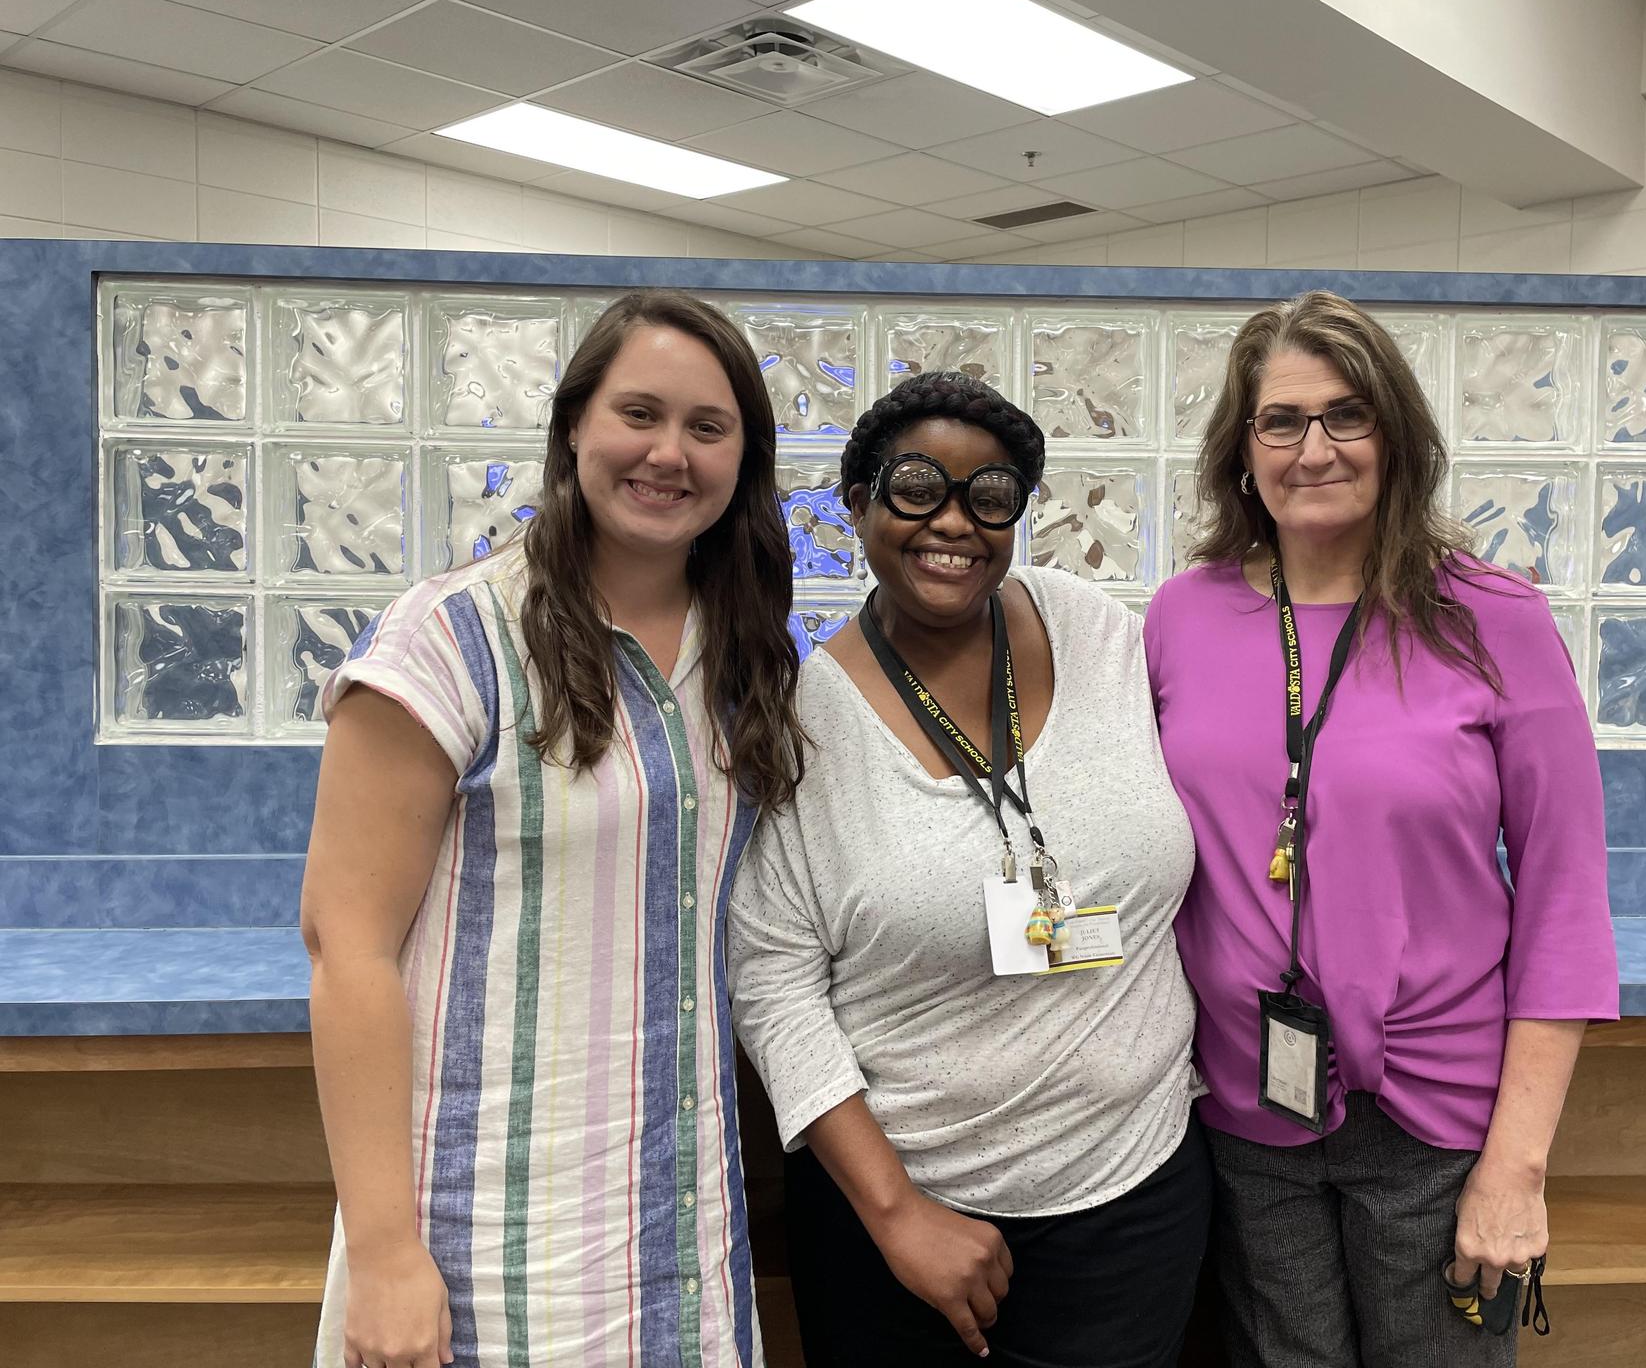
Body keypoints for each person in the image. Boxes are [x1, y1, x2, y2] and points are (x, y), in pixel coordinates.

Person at [300, 290, 805, 1368]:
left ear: (742, 459)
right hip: (484, 1232)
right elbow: (347, 948)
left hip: (682, 1222)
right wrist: (388, 1253)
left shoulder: (747, 658)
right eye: (639, 414)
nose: (669, 453)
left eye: (708, 428)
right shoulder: (450, 639)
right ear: (575, 425)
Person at [1145, 291, 1618, 1367]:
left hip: (1440, 1126)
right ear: (1242, 448)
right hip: (1246, 1112)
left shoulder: (1493, 617)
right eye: (1282, 420)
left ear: (1397, 434)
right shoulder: (1182, 614)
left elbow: (1565, 900)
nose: (1314, 448)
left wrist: (1518, 1168)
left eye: (1347, 415)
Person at [728, 371, 1207, 1368]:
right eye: (915, 488)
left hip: (1134, 1194)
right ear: (856, 504)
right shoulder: (804, 719)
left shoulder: (1098, 632)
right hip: (900, 1216)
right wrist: (899, 1215)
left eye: (990, 496)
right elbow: (772, 980)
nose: (954, 522)